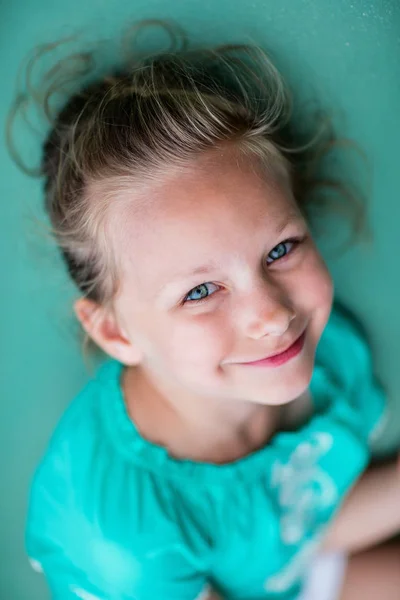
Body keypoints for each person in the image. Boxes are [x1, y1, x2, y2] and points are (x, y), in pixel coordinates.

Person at [15, 18, 400, 600]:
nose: (269, 315)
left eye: (280, 249)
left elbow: (300, 533)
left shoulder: (321, 353)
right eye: (199, 292)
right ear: (116, 333)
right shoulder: (121, 540)